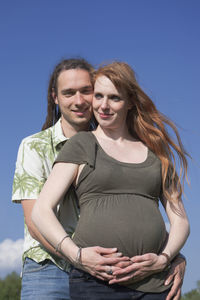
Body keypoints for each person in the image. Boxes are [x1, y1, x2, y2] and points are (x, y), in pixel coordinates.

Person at [32, 61, 190, 300]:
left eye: (114, 98)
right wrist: (77, 255)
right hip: (95, 284)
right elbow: (41, 211)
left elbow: (180, 222)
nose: (103, 106)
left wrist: (164, 258)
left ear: (130, 103)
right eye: (98, 96)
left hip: (153, 285)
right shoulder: (82, 144)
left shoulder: (155, 151)